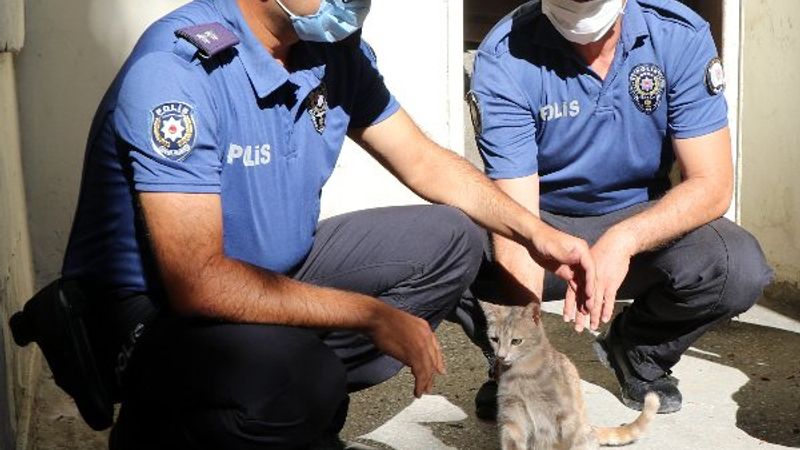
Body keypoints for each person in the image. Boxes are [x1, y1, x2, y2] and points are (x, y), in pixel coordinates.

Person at [11, 0, 599, 448]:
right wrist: (370, 314)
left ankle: (276, 389)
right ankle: (175, 420)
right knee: (304, 381)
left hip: (271, 271)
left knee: (453, 241)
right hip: (158, 309)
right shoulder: (179, 71)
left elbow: (422, 161)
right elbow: (197, 281)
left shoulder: (328, 51)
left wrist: (536, 232)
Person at [467, 0, 772, 418]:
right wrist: (523, 364)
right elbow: (514, 219)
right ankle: (505, 363)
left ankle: (639, 347)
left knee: (737, 266)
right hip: (543, 227)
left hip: (641, 221)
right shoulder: (505, 56)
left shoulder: (678, 35)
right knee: (448, 257)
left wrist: (625, 239)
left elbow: (712, 184)